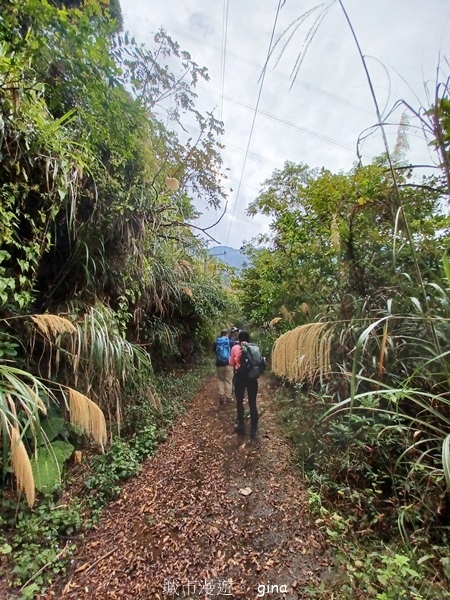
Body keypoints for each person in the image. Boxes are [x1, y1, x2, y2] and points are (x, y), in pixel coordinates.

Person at [229, 330, 260, 440]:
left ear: (240, 339)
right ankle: (253, 431)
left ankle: (241, 425)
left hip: (240, 378)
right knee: (252, 403)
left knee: (239, 401)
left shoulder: (235, 348)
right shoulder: (254, 348)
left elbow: (231, 363)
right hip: (252, 378)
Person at [212, 329, 233, 404]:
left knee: (221, 380)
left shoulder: (216, 342)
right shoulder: (230, 342)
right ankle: (229, 397)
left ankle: (222, 397)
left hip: (219, 364)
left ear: (221, 334)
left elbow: (214, 351)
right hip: (229, 364)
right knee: (228, 380)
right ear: (227, 334)